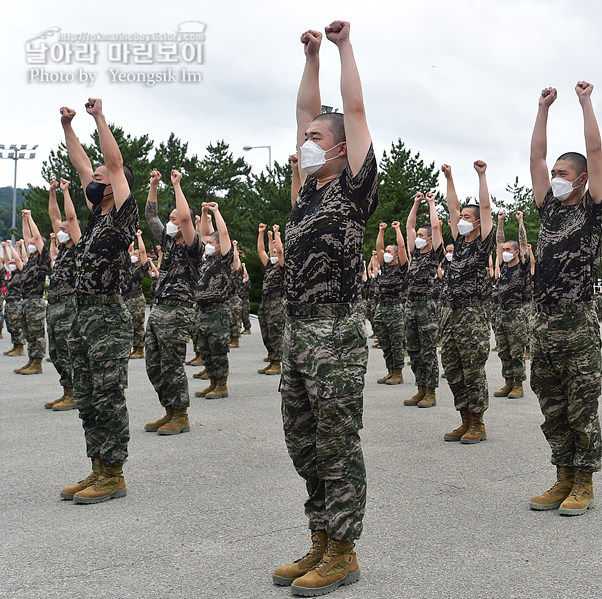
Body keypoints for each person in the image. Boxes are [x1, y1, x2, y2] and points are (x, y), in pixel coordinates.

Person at [273, 21, 377, 596]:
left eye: (318, 137)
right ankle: (320, 536)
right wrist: (309, 58)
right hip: (297, 329)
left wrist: (342, 49)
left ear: (340, 148)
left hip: (335, 331)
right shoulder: (309, 188)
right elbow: (303, 110)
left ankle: (343, 548)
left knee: (337, 440)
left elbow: (354, 110)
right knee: (302, 438)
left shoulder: (353, 189)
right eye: (306, 136)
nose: (306, 141)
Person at [527, 82, 602, 516]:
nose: (554, 178)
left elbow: (595, 154)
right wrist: (542, 109)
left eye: (563, 174)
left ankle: (584, 482)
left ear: (580, 180)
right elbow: (536, 157)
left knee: (581, 403)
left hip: (577, 320)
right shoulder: (548, 208)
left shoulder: (592, 208)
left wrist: (584, 102)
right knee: (551, 402)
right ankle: (561, 476)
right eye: (554, 173)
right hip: (543, 320)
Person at [58, 98, 139, 504]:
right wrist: (69, 127)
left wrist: (99, 118)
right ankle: (97, 469)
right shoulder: (95, 216)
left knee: (108, 396)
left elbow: (114, 162)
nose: (94, 179)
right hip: (81, 315)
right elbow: (81, 163)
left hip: (107, 317)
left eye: (101, 176)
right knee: (87, 395)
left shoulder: (123, 216)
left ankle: (115, 473)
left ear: (114, 184)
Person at [143, 168, 203, 435]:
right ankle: (169, 410)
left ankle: (181, 415)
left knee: (172, 364)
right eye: (171, 218)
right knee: (153, 364)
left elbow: (188, 219)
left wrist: (177, 185)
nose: (171, 222)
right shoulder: (168, 243)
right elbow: (150, 215)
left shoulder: (194, 247)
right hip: (159, 308)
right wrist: (154, 185)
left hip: (178, 310)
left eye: (174, 219)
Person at [439, 161, 494, 445]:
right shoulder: (459, 242)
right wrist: (450, 178)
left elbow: (485, 209)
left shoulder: (482, 242)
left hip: (473, 312)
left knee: (473, 368)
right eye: (461, 215)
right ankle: (464, 418)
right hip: (452, 312)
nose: (460, 219)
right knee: (451, 365)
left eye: (466, 216)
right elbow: (451, 208)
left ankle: (478, 422)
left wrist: (481, 176)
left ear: (476, 222)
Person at [402, 191, 443, 407]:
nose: (417, 237)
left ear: (428, 239)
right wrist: (416, 203)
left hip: (427, 305)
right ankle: (420, 388)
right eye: (417, 235)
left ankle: (431, 392)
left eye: (421, 235)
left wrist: (431, 203)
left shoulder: (434, 254)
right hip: (411, 306)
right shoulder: (415, 254)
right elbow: (409, 227)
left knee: (428, 350)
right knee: (414, 349)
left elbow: (436, 227)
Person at [44, 179, 81, 409]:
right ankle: (67, 390)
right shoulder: (62, 251)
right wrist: (52, 193)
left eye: (64, 229)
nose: (60, 231)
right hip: (55, 303)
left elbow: (70, 218)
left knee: (68, 349)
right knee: (56, 350)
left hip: (69, 304)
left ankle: (75, 392)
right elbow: (54, 217)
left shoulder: (77, 245)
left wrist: (66, 192)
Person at [192, 203, 234, 400]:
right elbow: (202, 237)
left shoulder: (223, 260)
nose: (206, 245)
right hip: (202, 310)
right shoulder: (206, 260)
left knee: (218, 350)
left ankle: (222, 385)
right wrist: (203, 214)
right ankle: (212, 383)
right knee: (206, 349)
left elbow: (223, 233)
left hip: (217, 311)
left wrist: (216, 211)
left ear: (218, 246)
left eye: (211, 242)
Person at [492, 210, 532, 400]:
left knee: (516, 351)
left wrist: (520, 222)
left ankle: (518, 384)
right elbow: (499, 242)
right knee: (503, 349)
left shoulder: (522, 266)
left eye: (509, 250)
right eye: (504, 251)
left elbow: (523, 243)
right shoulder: (503, 266)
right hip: (501, 312)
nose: (505, 253)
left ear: (516, 252)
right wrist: (500, 222)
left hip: (517, 313)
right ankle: (508, 382)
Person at [12, 209, 49, 375]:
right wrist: (24, 219)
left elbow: (34, 237)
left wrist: (31, 218)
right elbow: (27, 238)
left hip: (35, 301)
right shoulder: (29, 260)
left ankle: (37, 362)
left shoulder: (43, 259)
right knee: (28, 333)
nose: (32, 244)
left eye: (36, 243)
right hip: (25, 301)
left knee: (36, 334)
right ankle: (31, 360)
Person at [373, 221, 408, 385]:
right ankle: (390, 371)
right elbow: (379, 249)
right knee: (384, 341)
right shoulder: (384, 267)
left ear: (395, 255)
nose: (385, 253)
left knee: (395, 342)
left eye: (389, 252)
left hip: (395, 308)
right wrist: (381, 231)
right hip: (381, 307)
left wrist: (397, 229)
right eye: (386, 251)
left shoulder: (401, 267)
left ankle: (398, 373)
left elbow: (402, 248)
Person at [256, 222, 285, 375]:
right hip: (265, 302)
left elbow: (280, 251)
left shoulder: (282, 266)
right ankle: (271, 357)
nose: (273, 253)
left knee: (276, 332)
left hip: (277, 302)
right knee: (265, 331)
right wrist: (261, 233)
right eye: (271, 251)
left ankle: (277, 362)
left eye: (275, 251)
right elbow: (260, 250)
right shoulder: (269, 264)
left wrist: (276, 234)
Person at [123, 233, 150, 359]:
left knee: (138, 324)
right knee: (128, 324)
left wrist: (139, 237)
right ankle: (133, 347)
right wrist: (130, 244)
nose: (133, 256)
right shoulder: (130, 267)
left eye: (135, 255)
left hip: (136, 299)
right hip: (126, 299)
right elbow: (127, 252)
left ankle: (139, 349)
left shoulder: (141, 268)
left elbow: (143, 252)